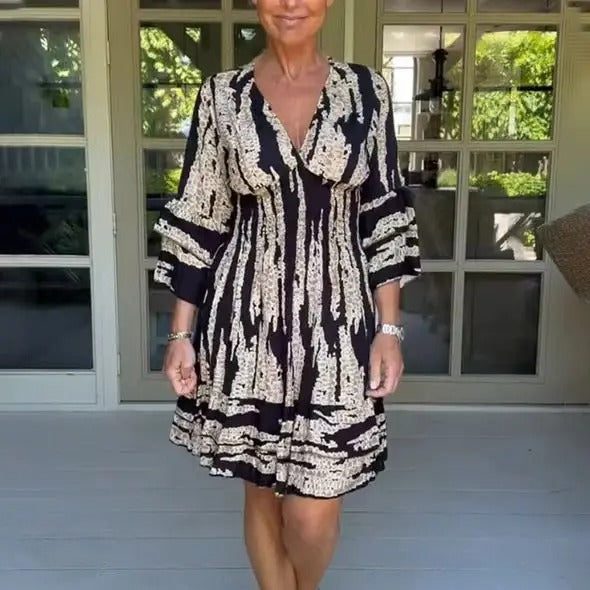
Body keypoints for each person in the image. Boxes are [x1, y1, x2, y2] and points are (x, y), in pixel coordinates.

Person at [153, 1, 420, 588]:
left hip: (339, 326)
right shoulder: (222, 96)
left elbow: (384, 215)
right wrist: (180, 333)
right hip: (246, 323)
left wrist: (389, 329)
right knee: (261, 487)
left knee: (313, 509)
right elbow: (200, 216)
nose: (292, 3)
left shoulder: (367, 93)